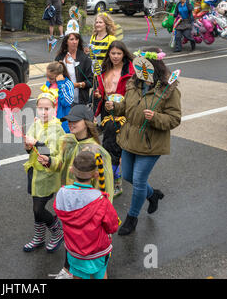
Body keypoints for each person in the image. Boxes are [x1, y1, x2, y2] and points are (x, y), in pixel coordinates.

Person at [105, 47, 181, 236]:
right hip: (130, 139)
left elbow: (174, 118)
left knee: (139, 180)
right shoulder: (134, 84)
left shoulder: (168, 90)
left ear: (154, 65)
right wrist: (115, 107)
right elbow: (126, 108)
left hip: (151, 143)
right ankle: (152, 194)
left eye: (143, 65)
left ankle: (132, 218)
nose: (139, 69)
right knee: (128, 176)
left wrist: (155, 117)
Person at [48, 104, 114, 279]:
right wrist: (48, 162)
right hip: (70, 203)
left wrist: (104, 216)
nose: (70, 123)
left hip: (89, 209)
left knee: (87, 243)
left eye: (75, 120)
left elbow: (105, 187)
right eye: (69, 120)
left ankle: (79, 269)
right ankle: (69, 268)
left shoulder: (97, 152)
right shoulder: (67, 141)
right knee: (71, 237)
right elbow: (60, 164)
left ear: (86, 123)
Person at [53, 150, 119, 279]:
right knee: (101, 274)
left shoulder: (62, 193)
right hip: (97, 251)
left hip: (74, 251)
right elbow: (112, 226)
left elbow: (58, 210)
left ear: (71, 170)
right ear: (95, 174)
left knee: (77, 274)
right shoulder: (101, 199)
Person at [23, 92, 65, 253]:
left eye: (47, 108)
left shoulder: (57, 129)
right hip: (34, 173)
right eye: (40, 108)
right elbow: (32, 151)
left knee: (38, 209)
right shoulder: (36, 124)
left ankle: (57, 230)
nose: (43, 112)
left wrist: (37, 143)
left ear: (54, 109)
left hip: (47, 175)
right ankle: (39, 238)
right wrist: (28, 147)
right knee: (35, 206)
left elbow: (53, 153)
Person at [94, 40, 134, 197]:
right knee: (108, 144)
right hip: (106, 110)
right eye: (113, 53)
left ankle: (116, 181)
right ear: (108, 54)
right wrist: (99, 94)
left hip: (122, 112)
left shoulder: (130, 71)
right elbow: (101, 90)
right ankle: (113, 176)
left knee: (114, 146)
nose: (116, 56)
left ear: (124, 54)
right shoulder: (104, 69)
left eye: (119, 53)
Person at [55, 27, 93, 106]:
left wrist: (77, 85)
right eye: (71, 39)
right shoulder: (59, 58)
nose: (74, 42)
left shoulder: (85, 58)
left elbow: (91, 81)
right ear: (66, 41)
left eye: (76, 39)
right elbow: (53, 77)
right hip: (63, 101)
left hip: (80, 101)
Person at [41, 61, 74, 133]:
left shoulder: (67, 84)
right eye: (47, 76)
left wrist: (60, 84)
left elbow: (67, 102)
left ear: (59, 76)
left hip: (62, 123)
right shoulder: (49, 83)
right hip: (50, 121)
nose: (48, 80)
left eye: (51, 78)